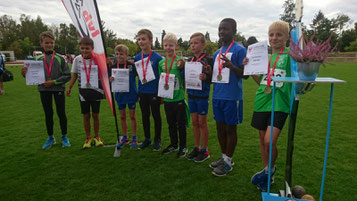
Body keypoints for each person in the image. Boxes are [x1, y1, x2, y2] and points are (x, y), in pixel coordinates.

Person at [245, 21, 291, 191]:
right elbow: (262, 82)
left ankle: (270, 170)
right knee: (262, 139)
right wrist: (249, 69)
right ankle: (267, 172)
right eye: (271, 34)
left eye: (278, 34)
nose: (274, 38)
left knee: (269, 140)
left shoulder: (291, 56)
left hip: (280, 103)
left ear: (287, 37)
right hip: (262, 100)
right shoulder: (264, 57)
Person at [209, 18, 248, 176]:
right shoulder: (217, 52)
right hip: (218, 95)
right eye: (220, 29)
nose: (221, 32)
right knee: (220, 128)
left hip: (232, 97)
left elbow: (245, 75)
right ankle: (224, 157)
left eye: (225, 29)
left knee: (230, 129)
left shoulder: (240, 50)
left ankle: (228, 162)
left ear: (234, 31)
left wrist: (232, 66)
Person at [21, 31, 71, 149]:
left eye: (51, 43)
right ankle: (50, 137)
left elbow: (67, 75)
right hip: (44, 90)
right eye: (47, 43)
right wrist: (24, 74)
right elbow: (32, 75)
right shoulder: (37, 59)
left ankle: (64, 136)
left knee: (61, 113)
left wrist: (53, 82)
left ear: (54, 43)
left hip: (58, 89)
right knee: (48, 114)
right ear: (41, 44)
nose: (49, 45)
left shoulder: (60, 58)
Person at [66, 37, 105, 149]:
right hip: (83, 92)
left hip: (96, 91)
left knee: (95, 115)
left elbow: (104, 73)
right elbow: (74, 75)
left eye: (87, 48)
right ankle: (88, 138)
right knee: (86, 115)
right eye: (82, 48)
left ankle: (97, 137)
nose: (84, 50)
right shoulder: (77, 59)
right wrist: (69, 87)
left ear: (92, 48)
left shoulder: (97, 59)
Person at [185, 32, 213, 162]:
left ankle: (205, 150)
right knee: (195, 123)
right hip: (191, 95)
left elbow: (212, 79)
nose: (193, 45)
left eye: (196, 43)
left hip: (202, 96)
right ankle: (197, 147)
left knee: (202, 123)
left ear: (203, 44)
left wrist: (206, 77)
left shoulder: (208, 60)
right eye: (191, 43)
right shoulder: (189, 61)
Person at [158, 33, 188, 157]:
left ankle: (183, 146)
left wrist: (184, 91)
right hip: (167, 98)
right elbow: (161, 80)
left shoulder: (180, 61)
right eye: (166, 45)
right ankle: (174, 144)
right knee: (171, 124)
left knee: (181, 124)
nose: (168, 48)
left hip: (178, 97)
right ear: (163, 46)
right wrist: (162, 96)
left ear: (175, 46)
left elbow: (185, 78)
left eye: (171, 45)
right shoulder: (161, 63)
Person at [134, 29, 163, 151]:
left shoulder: (157, 57)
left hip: (154, 92)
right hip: (142, 91)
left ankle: (157, 140)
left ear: (150, 41)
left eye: (143, 39)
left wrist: (162, 94)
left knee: (156, 116)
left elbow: (162, 76)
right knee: (145, 116)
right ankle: (147, 138)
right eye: (139, 39)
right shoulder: (136, 57)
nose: (141, 42)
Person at [109, 44, 138, 149]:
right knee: (122, 117)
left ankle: (134, 137)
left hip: (131, 94)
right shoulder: (113, 67)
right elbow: (109, 79)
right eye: (117, 54)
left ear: (126, 55)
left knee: (132, 116)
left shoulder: (132, 66)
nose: (119, 56)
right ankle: (125, 137)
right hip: (120, 95)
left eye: (121, 54)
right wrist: (110, 79)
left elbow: (140, 76)